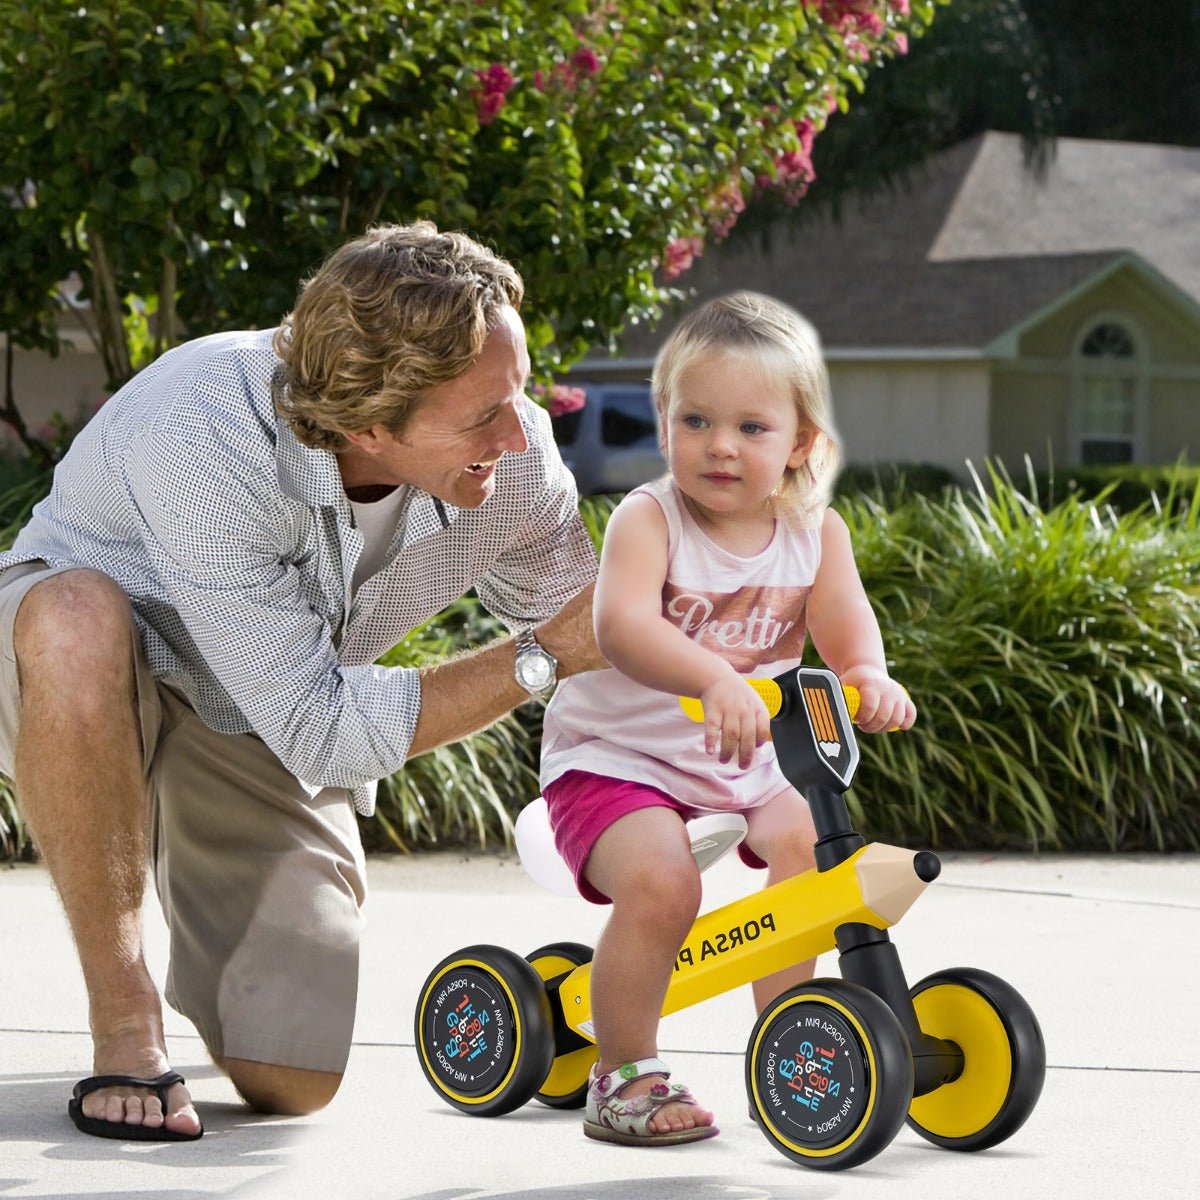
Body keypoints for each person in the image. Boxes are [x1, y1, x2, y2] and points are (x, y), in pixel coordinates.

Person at [0, 222, 602, 1140]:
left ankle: (177, 857)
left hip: (250, 712)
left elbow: (596, 618)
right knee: (78, 619)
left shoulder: (509, 457)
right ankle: (125, 1020)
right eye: (483, 414)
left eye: (516, 394)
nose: (521, 434)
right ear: (367, 423)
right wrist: (539, 657)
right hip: (69, 670)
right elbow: (330, 729)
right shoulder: (202, 430)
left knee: (293, 1076)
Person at [539, 291, 915, 1147]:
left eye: (752, 427)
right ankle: (622, 1071)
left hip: (745, 758)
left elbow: (847, 626)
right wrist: (713, 677)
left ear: (801, 445)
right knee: (667, 884)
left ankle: (790, 1045)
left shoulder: (815, 531)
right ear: (664, 422)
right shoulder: (650, 518)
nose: (720, 445)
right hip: (616, 757)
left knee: (813, 855)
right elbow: (621, 626)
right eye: (696, 420)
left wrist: (868, 675)